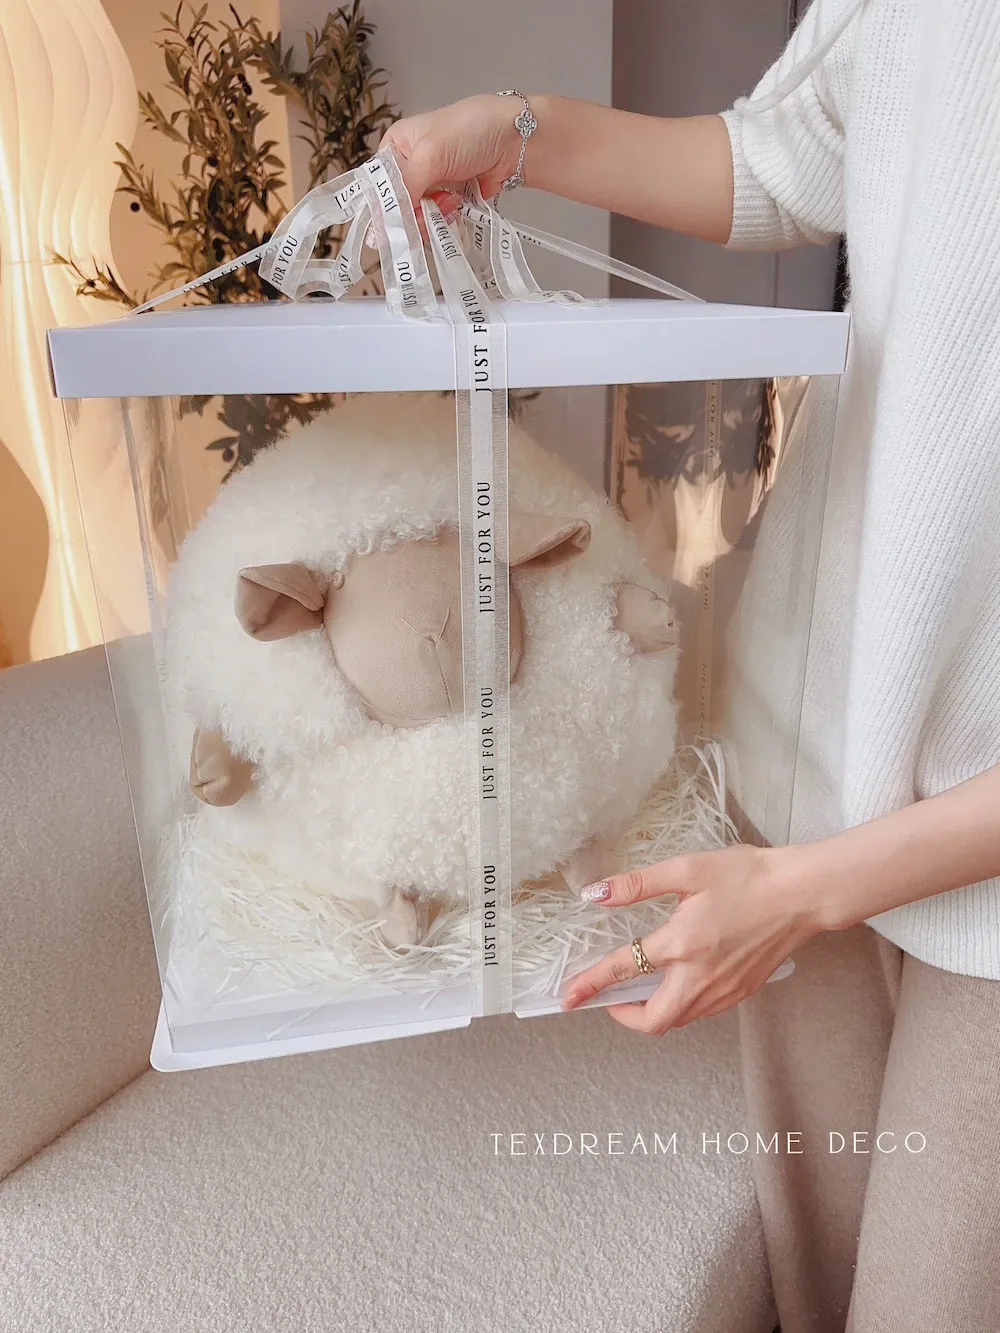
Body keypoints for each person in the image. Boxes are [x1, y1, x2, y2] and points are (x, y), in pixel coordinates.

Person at [380, 2, 1000, 1329]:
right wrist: (520, 131)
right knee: (820, 1288)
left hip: (959, 859)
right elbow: (786, 153)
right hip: (805, 773)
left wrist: (802, 896)